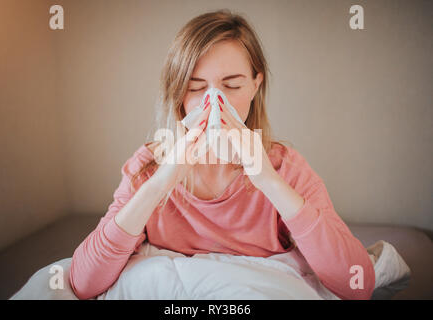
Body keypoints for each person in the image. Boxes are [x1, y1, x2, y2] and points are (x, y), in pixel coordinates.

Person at [69, 9, 375, 300]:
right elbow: (83, 283)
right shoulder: (147, 169)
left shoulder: (285, 169)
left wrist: (268, 181)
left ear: (256, 85)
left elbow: (358, 284)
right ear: (177, 92)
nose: (213, 104)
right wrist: (161, 183)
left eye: (231, 85)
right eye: (196, 87)